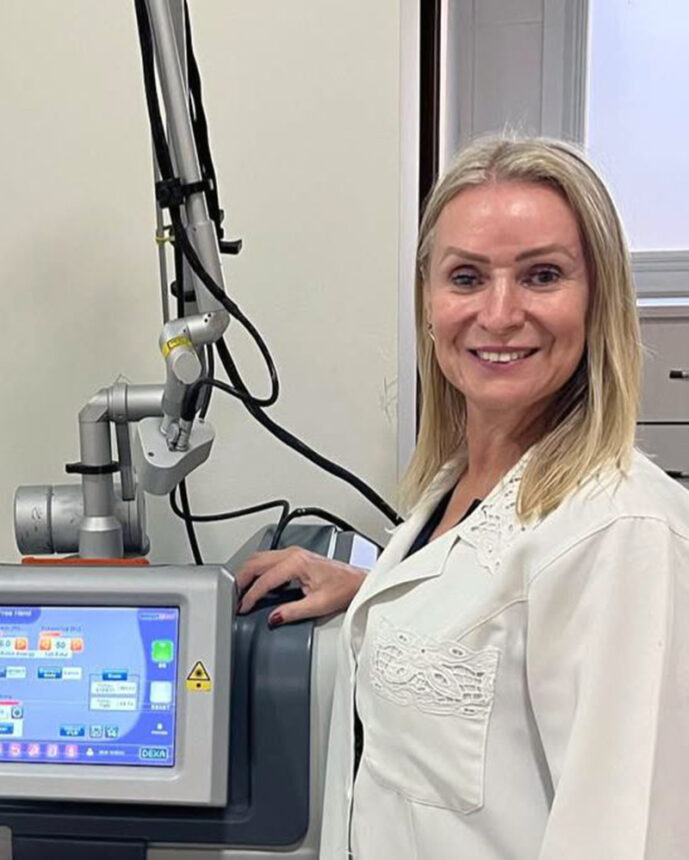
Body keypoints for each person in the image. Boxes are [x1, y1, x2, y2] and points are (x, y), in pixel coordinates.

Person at [237, 137, 689, 859]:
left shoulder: (623, 533)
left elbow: (626, 836)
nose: (500, 313)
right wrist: (372, 589)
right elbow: (494, 619)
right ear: (428, 300)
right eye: (466, 277)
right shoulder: (455, 486)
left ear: (597, 298)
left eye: (542, 275)